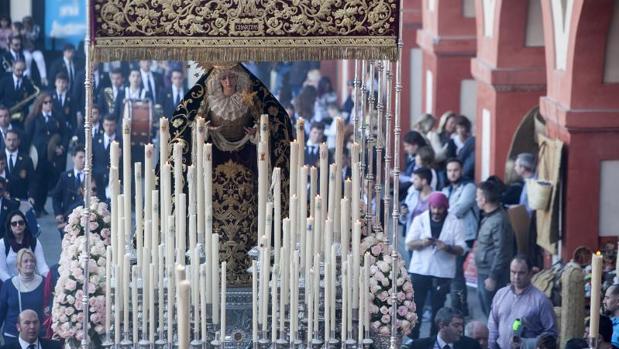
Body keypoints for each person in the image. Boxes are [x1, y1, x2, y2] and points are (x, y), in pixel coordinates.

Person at [405, 192, 466, 338]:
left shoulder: (455, 222)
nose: (436, 211)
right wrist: (423, 243)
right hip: (420, 270)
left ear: (445, 208)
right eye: (434, 207)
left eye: (440, 208)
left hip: (442, 272)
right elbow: (409, 243)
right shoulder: (420, 219)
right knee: (416, 307)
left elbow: (462, 248)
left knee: (438, 309)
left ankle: (434, 340)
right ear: (430, 206)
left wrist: (446, 247)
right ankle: (413, 340)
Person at [488, 255, 557, 349]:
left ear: (530, 273)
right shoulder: (500, 294)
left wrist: (527, 344)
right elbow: (492, 326)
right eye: (513, 272)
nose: (516, 277)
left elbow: (551, 335)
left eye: (521, 273)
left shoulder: (541, 301)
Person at [442, 158, 479, 315]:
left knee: (456, 272)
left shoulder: (469, 187)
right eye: (450, 170)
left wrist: (444, 209)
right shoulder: (446, 190)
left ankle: (459, 309)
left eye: (455, 170)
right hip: (451, 235)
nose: (452, 173)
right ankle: (459, 307)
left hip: (466, 235)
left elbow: (459, 209)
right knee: (454, 272)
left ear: (462, 171)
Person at [475, 179, 515, 316]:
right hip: (484, 271)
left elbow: (502, 252)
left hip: (491, 274)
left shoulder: (499, 220)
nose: (476, 199)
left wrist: (493, 276)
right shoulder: (490, 217)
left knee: (494, 313)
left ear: (484, 199)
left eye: (478, 196)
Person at [25, 93, 67, 215]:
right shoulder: (34, 117)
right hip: (37, 155)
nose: (48, 105)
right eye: (45, 102)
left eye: (50, 102)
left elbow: (64, 134)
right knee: (37, 181)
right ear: (40, 104)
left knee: (48, 180)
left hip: (52, 156)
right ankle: (36, 206)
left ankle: (42, 205)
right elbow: (28, 136)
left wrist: (62, 147)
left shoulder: (57, 117)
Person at [0, 249, 46, 344]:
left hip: (37, 336)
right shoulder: (8, 285)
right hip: (12, 337)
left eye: (32, 261)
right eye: (25, 261)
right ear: (18, 266)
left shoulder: (44, 283)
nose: (29, 264)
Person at [0, 211, 49, 282]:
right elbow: (1, 271)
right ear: (10, 227)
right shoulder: (2, 244)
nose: (18, 225)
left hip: (31, 283)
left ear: (25, 224)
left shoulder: (34, 241)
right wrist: (12, 284)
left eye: (21, 222)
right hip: (10, 283)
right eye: (14, 224)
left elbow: (42, 266)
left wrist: (49, 279)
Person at [403, 307, 481, 349]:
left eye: (462, 325)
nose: (461, 329)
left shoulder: (471, 345)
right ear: (442, 325)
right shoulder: (418, 346)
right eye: (456, 325)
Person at [52, 146, 86, 229]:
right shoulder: (65, 176)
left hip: (85, 218)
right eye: (80, 157)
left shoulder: (91, 177)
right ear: (73, 158)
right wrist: (58, 213)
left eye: (85, 157)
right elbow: (56, 197)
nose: (84, 160)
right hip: (68, 218)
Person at [93, 114, 121, 202]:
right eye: (107, 125)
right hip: (98, 179)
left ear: (115, 125)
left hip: (115, 177)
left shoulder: (121, 141)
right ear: (103, 125)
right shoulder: (95, 140)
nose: (109, 128)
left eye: (111, 125)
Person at [3, 129, 34, 201]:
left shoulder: (26, 160)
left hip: (20, 198)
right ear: (5, 140)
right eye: (9, 140)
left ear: (19, 141)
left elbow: (32, 180)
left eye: (14, 140)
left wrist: (31, 196)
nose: (11, 143)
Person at [400, 130, 428, 195]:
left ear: (415, 145)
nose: (405, 149)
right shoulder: (408, 157)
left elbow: (414, 180)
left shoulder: (423, 158)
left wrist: (398, 176)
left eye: (407, 146)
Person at [452, 115, 475, 181]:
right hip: (457, 165)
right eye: (458, 128)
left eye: (462, 127)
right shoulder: (453, 141)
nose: (460, 130)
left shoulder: (470, 140)